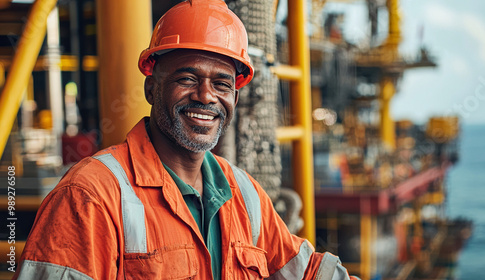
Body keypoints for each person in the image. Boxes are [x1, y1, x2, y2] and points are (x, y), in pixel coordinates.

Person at [14, 0, 359, 279]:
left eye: (222, 84)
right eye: (187, 78)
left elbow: (308, 271)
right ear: (152, 87)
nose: (206, 96)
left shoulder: (244, 194)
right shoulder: (90, 196)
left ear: (234, 99)